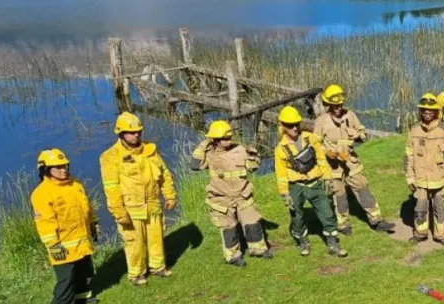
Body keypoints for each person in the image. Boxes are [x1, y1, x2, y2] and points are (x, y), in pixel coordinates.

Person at [100, 112, 176, 286]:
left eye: (138, 132)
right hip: (131, 208)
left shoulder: (150, 150)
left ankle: (158, 267)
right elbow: (111, 188)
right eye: (131, 132)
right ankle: (136, 274)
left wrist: (170, 195)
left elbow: (164, 173)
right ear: (120, 133)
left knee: (156, 237)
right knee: (135, 243)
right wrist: (119, 212)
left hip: (152, 203)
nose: (136, 135)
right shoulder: (110, 157)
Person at [313, 84, 395, 235]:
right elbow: (315, 144)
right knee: (339, 196)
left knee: (363, 189)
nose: (338, 108)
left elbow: (362, 133)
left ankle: (376, 220)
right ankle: (343, 224)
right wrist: (327, 152)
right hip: (333, 166)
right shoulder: (321, 121)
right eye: (335, 105)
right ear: (328, 104)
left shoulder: (350, 115)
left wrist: (358, 135)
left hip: (351, 162)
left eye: (340, 105)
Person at [31, 149, 99, 304]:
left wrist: (93, 224)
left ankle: (82, 296)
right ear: (46, 170)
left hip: (81, 240)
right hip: (62, 246)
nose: (64, 170)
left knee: (84, 271)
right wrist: (53, 245)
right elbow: (45, 223)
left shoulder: (75, 184)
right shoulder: (41, 194)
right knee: (65, 279)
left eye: (65, 166)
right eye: (58, 167)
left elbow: (86, 206)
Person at [190, 120, 271, 267]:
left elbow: (253, 167)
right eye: (223, 139)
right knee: (229, 228)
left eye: (229, 138)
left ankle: (258, 249)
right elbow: (194, 165)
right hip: (221, 198)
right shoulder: (209, 154)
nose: (227, 141)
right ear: (214, 140)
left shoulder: (240, 149)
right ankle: (233, 257)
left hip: (243, 195)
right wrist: (204, 144)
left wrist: (253, 157)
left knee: (252, 222)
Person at [274, 105, 347, 258]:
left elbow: (321, 159)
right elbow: (281, 174)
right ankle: (303, 241)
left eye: (296, 124)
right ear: (282, 126)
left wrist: (327, 178)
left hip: (316, 183)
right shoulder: (280, 149)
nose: (294, 128)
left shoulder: (310, 138)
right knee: (297, 216)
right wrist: (284, 193)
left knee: (327, 212)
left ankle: (332, 242)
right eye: (289, 125)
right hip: (296, 186)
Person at [405, 94, 444, 245]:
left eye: (430, 111)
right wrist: (409, 176)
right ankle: (420, 233)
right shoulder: (414, 130)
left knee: (439, 207)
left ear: (436, 112)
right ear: (421, 111)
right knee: (420, 207)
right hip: (420, 178)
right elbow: (408, 155)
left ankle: (441, 235)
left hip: (439, 177)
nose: (427, 113)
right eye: (424, 110)